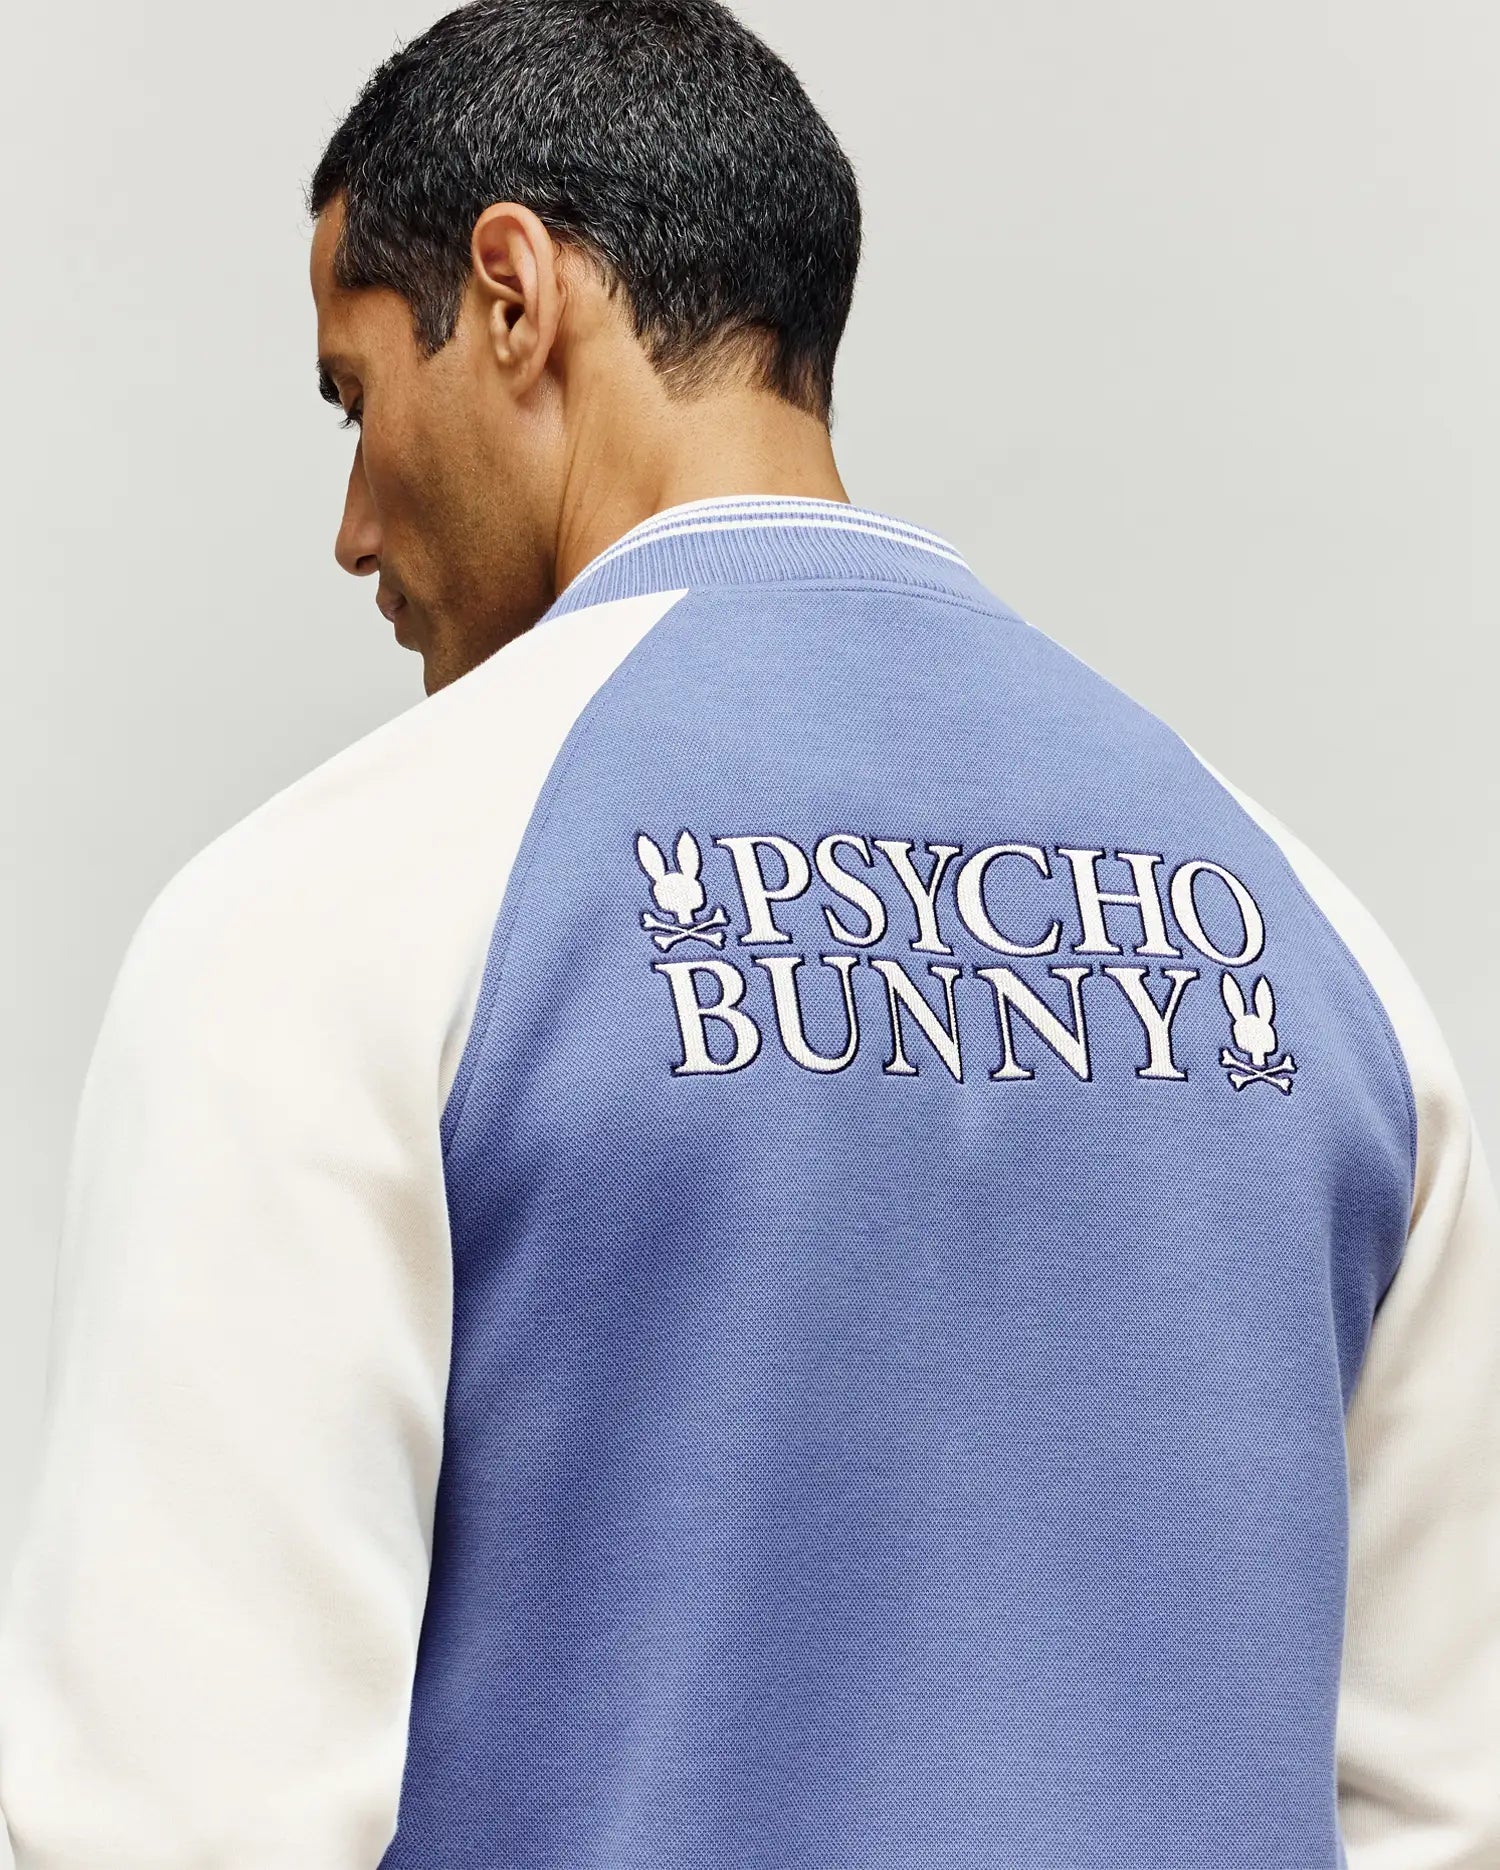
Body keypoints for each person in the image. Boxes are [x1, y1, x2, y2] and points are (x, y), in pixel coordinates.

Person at [1, 1, 1496, 1864]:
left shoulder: (320, 920)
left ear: (511, 294)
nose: (354, 523)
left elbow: (175, 1821)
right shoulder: (1322, 953)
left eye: (354, 395)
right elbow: (1442, 1812)